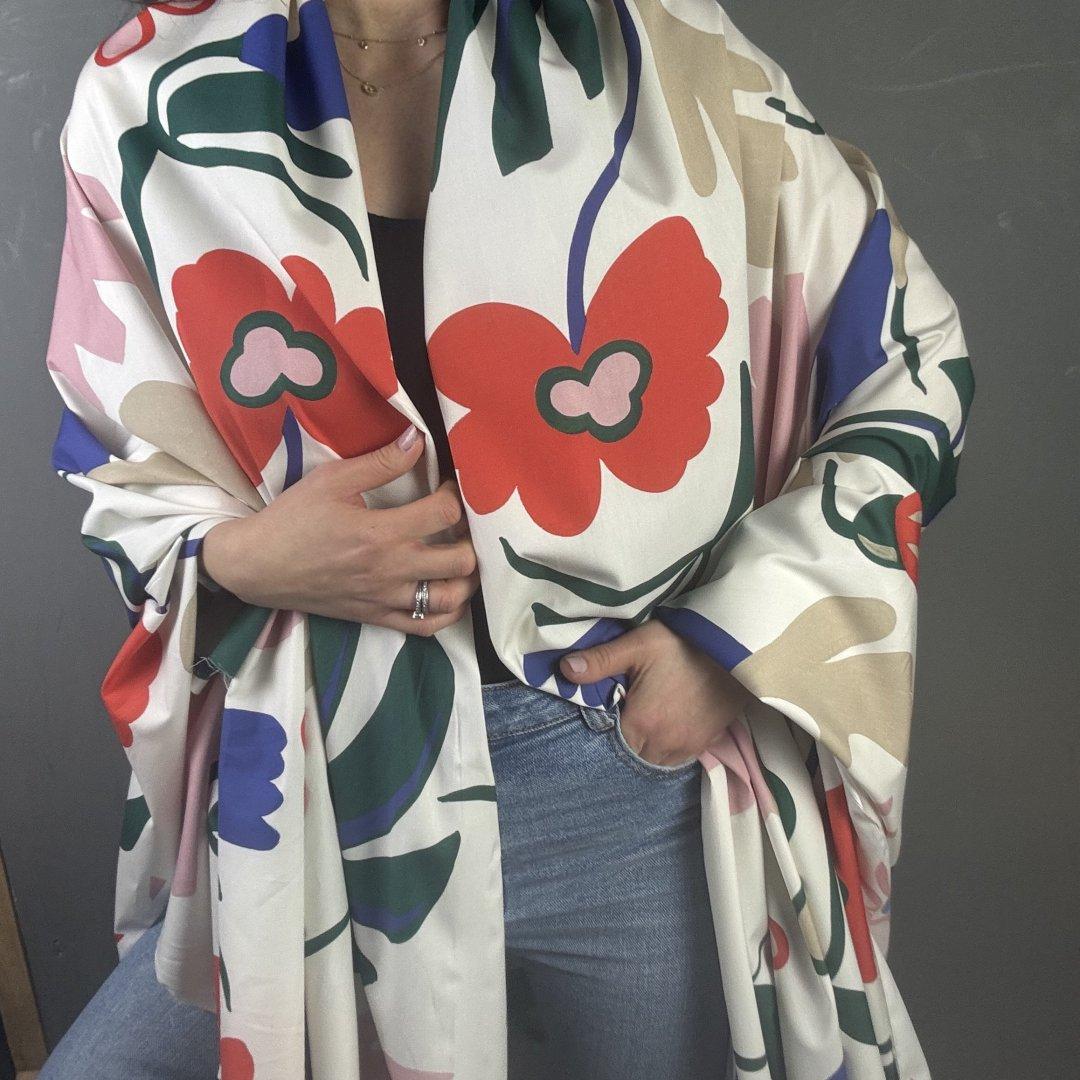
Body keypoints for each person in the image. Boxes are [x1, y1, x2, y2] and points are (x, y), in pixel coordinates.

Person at [39, 0, 974, 1077]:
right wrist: (247, 560)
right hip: (320, 773)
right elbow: (114, 443)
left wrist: (737, 642)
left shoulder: (660, 48)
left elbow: (912, 360)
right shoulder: (149, 89)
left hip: (625, 778)